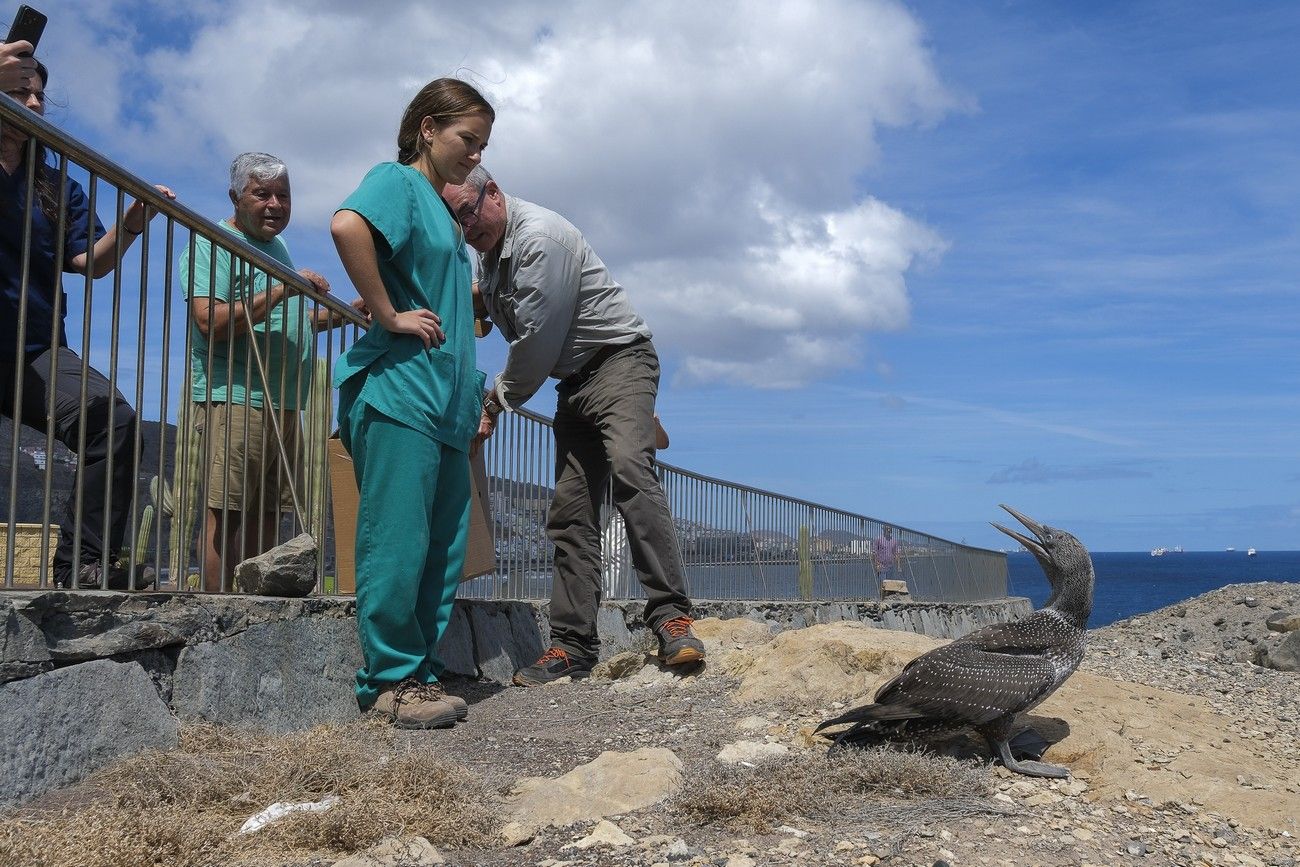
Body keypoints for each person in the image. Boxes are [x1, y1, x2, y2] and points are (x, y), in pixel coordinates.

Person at [443, 167, 706, 686]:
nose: (466, 229)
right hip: (574, 383)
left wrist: (493, 404)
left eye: (468, 214)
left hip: (619, 361)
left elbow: (536, 342)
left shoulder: (540, 239)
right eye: (456, 222)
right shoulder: (491, 251)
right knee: (570, 511)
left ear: (492, 193)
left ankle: (672, 617)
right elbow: (487, 298)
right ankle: (572, 645)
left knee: (630, 470)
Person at [331, 78, 493, 729]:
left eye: (483, 146)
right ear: (427, 128)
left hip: (445, 405)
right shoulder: (396, 181)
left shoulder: (444, 213)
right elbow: (347, 225)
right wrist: (388, 312)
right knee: (398, 543)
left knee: (441, 549)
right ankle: (389, 682)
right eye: (467, 140)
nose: (475, 155)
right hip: (401, 392)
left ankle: (418, 671)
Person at [0, 60, 175, 589]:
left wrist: (131, 224)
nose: (34, 104)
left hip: (32, 347)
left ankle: (82, 564)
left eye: (39, 96)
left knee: (113, 422)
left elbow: (90, 262)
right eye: (20, 93)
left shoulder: (54, 185)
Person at [181, 152, 346, 592]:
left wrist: (341, 315)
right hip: (237, 396)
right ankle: (217, 607)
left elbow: (285, 319)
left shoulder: (278, 249)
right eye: (262, 194)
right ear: (235, 197)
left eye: (283, 196)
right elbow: (209, 320)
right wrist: (281, 289)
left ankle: (255, 604)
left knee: (269, 512)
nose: (275, 204)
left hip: (284, 401)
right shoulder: (213, 243)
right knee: (227, 513)